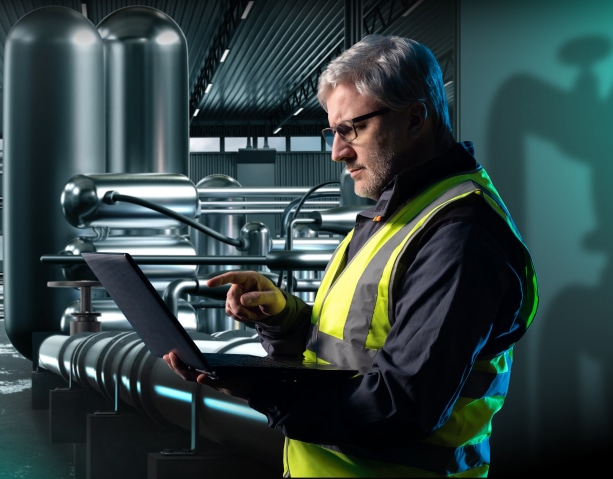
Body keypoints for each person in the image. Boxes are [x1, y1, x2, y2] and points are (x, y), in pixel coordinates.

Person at [164, 34, 539, 477]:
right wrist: (282, 317)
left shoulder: (460, 237)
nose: (337, 152)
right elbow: (347, 352)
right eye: (332, 131)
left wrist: (257, 388)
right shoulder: (393, 217)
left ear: (415, 118)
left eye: (351, 129)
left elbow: (398, 407)